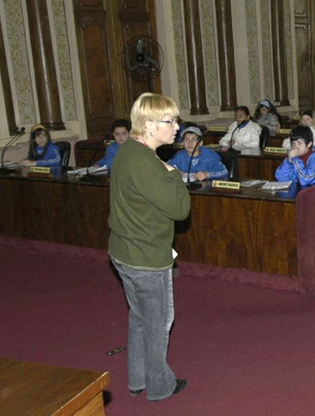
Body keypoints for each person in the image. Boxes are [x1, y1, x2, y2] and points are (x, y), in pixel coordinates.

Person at [108, 93, 190, 402]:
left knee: (139, 316)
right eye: (170, 121)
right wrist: (175, 176)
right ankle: (159, 386)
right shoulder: (149, 165)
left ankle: (136, 379)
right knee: (158, 322)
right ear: (150, 126)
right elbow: (181, 208)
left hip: (123, 251)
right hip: (145, 257)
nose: (177, 127)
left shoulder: (127, 149)